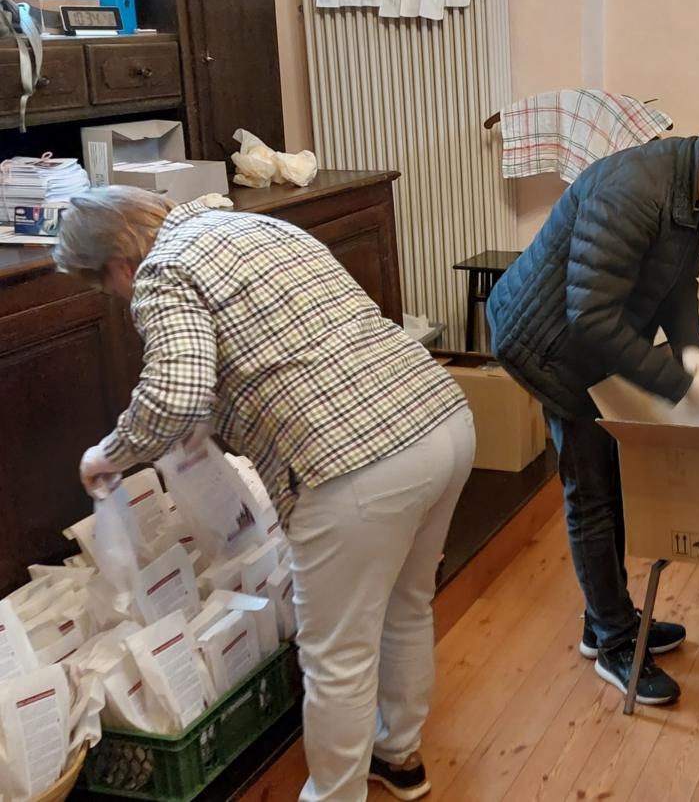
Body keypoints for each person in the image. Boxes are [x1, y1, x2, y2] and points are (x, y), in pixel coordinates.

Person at [58, 187, 473, 802]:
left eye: (103, 287)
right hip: (440, 419)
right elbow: (275, 349)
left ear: (118, 265)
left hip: (354, 465)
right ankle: (398, 755)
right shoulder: (257, 227)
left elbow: (175, 393)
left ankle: (335, 795)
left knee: (337, 658)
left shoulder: (161, 271)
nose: (117, 296)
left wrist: (108, 454)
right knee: (406, 606)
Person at [486, 101, 699, 706]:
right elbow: (591, 319)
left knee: (615, 477)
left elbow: (679, 285)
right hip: (546, 343)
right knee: (593, 488)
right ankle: (613, 640)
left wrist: (694, 356)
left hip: (590, 337)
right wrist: (680, 386)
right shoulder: (630, 192)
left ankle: (606, 617)